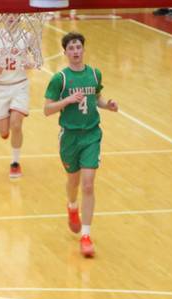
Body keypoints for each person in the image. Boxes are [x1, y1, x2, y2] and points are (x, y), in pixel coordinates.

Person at [44, 32, 118, 258]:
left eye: (78, 47)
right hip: (69, 137)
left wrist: (108, 105)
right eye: (71, 48)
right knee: (73, 181)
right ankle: (72, 206)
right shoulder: (60, 79)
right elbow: (47, 109)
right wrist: (67, 100)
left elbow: (96, 99)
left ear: (83, 50)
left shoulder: (94, 74)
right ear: (65, 52)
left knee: (88, 184)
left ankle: (86, 236)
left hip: (91, 135)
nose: (75, 51)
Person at [0, 14, 37, 178]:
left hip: (20, 85)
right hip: (1, 88)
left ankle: (15, 163)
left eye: (14, 13)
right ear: (2, 17)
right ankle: (6, 126)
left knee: (16, 124)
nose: (11, 16)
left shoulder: (27, 36)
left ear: (19, 16)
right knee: (4, 132)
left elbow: (37, 59)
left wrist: (30, 63)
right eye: (7, 14)